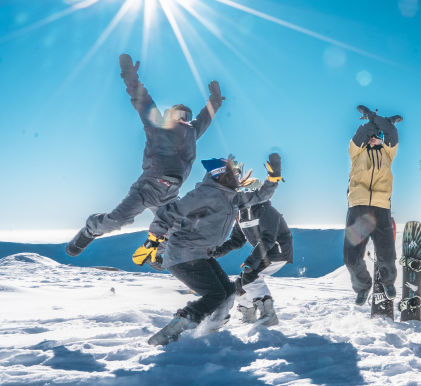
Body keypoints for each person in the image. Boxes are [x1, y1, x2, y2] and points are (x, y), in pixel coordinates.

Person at [66, 54, 224, 256]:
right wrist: (130, 76)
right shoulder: (157, 126)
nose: (182, 119)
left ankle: (157, 254)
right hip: (146, 189)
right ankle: (90, 229)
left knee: (178, 228)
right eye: (177, 115)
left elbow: (206, 117)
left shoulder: (192, 132)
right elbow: (142, 100)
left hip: (170, 194)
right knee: (117, 221)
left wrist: (215, 100)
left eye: (186, 116)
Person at [136, 154, 282, 345]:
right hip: (184, 254)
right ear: (221, 175)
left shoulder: (233, 197)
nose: (238, 177)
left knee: (228, 291)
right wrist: (154, 240)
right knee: (216, 294)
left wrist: (273, 179)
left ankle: (209, 330)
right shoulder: (203, 194)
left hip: (200, 254)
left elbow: (259, 196)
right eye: (234, 173)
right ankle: (177, 326)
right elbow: (169, 212)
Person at [209, 158, 292, 327]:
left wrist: (251, 261)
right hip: (263, 253)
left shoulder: (266, 210)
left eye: (248, 191)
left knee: (251, 277)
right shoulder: (241, 214)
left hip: (278, 251)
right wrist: (215, 252)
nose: (244, 195)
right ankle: (248, 315)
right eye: (242, 191)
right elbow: (236, 240)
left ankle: (268, 314)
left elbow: (268, 239)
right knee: (238, 286)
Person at [343, 105, 403, 306]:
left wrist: (381, 123)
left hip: (381, 207)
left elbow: (392, 134)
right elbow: (361, 134)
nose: (371, 138)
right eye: (370, 136)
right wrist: (373, 120)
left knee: (387, 255)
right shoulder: (356, 152)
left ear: (380, 138)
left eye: (376, 136)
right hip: (359, 208)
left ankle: (388, 282)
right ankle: (363, 286)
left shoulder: (388, 153)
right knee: (351, 258)